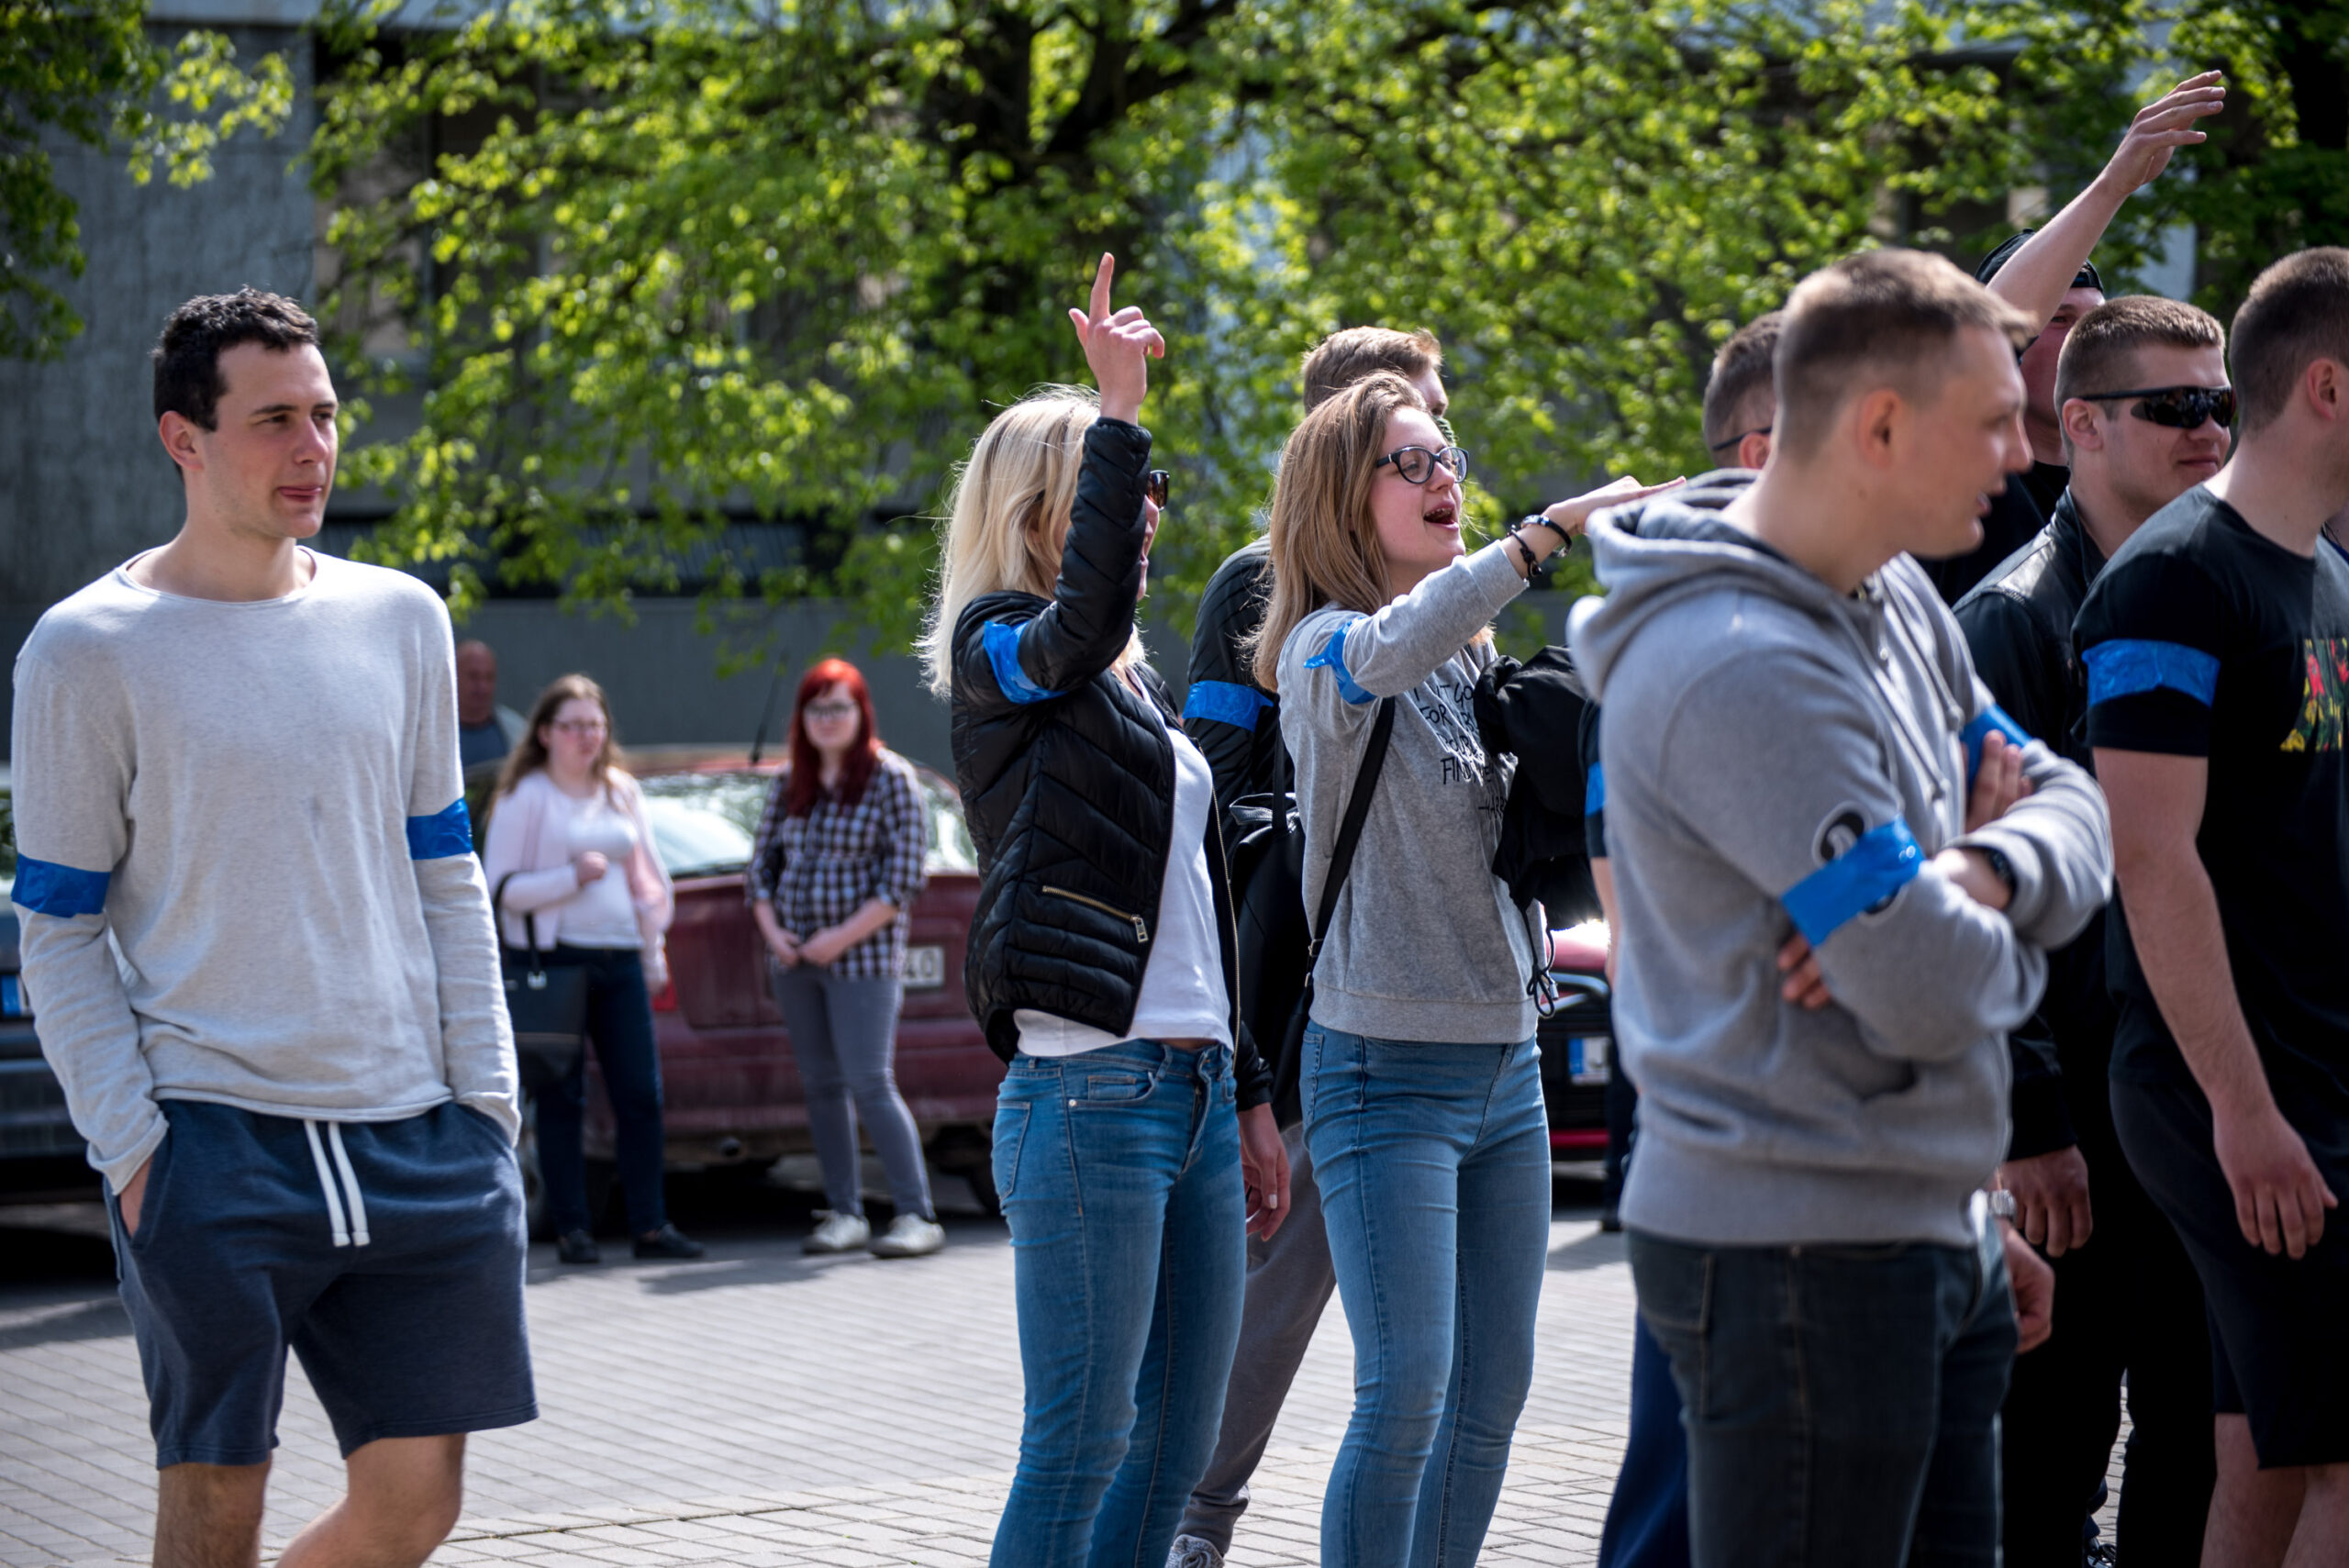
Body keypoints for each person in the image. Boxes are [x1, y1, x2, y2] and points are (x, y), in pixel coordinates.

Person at [1568, 249, 2115, 1567]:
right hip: (1801, 1257)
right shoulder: (1737, 665)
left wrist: (1973, 874)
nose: (2020, 452)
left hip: (1922, 1225)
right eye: (1994, 419)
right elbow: (1921, 986)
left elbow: (2073, 803)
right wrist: (1980, 901)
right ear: (1878, 426)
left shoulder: (1898, 595)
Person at [10, 288, 531, 1568]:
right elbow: (59, 925)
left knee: (417, 1502)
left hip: (419, 1128)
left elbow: (445, 870)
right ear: (182, 438)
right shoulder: (86, 649)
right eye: (275, 421)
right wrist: (136, 1148)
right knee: (214, 1507)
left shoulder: (401, 617)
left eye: (327, 414)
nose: (315, 448)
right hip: (211, 1142)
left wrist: (488, 1100)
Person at [1252, 365, 1671, 1568]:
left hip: (1505, 1069)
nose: (1444, 478)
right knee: (1405, 1395)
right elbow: (1383, 650)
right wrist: (1544, 535)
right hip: (1382, 1073)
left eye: (1449, 457)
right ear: (1344, 494)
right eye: (1411, 462)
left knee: (1493, 1393)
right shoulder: (1323, 653)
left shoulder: (1465, 657)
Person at [923, 253, 1289, 1568]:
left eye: (1147, 489)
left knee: (1174, 1446)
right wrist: (1120, 412)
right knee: (1081, 1442)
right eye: (1121, 490)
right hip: (1089, 1096)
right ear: (1047, 510)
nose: (1146, 512)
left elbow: (1198, 908)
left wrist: (1247, 1093)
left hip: (1189, 1091)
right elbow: (1073, 628)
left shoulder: (1133, 691)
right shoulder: (1000, 652)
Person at [2076, 246, 2349, 1568]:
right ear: (2330, 388)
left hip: (2316, 1079)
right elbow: (2150, 857)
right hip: (2233, 1096)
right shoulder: (2172, 578)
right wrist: (2243, 1113)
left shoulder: (2325, 573)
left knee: (2268, 1459)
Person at [1168, 323, 1452, 1568]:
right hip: (1309, 1005)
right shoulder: (1258, 584)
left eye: (1441, 432)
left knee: (1434, 1344)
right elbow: (1218, 797)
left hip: (1442, 1007)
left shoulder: (1449, 598)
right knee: (1275, 1294)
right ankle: (1190, 1519)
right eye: (1410, 437)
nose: (1441, 460)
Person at [1955, 295, 2230, 1566]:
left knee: (2199, 1441)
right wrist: (2030, 1123)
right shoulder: (2012, 619)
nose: (2209, 430)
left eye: (2221, 403)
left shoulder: (2226, 583)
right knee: (2048, 1451)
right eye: (2175, 407)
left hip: (2200, 1091)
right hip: (2071, 1111)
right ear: (2082, 425)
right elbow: (1974, 898)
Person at [1588, 311, 1782, 1568]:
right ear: (1761, 450)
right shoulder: (1683, 637)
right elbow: (1642, 911)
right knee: (1682, 1486)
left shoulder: (1876, 614)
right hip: (1719, 1128)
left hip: (1830, 1146)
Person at [1920, 71, 2228, 604]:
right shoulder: (1963, 474)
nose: (2081, 338)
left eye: (2093, 321)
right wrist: (2114, 185)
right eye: (2057, 319)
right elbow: (1979, 338)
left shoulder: (2136, 480)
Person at [482, 674, 703, 1265]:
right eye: (573, 726)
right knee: (562, 1098)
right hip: (557, 961)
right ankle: (572, 1230)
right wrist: (569, 878)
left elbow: (649, 879)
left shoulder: (620, 791)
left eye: (595, 725)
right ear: (545, 733)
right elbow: (501, 890)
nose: (586, 737)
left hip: (620, 958)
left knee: (641, 1094)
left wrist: (652, 947)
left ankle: (650, 1226)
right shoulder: (525, 796)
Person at [747, 656, 941, 1260]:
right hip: (795, 961)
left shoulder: (891, 778)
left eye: (839, 707)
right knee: (821, 1085)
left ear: (862, 713)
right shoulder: (790, 782)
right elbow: (760, 870)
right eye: (816, 708)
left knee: (869, 1081)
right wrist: (776, 934)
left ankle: (915, 1213)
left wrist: (839, 937)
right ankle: (844, 1212)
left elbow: (903, 879)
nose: (827, 719)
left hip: (865, 961)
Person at [457, 639, 529, 771]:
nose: (482, 686)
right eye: (473, 676)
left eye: (489, 677)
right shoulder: (432, 732)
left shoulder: (519, 732)